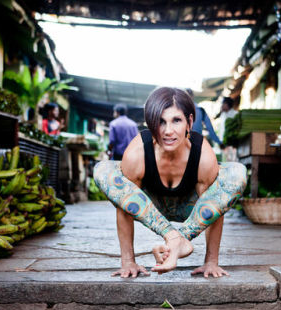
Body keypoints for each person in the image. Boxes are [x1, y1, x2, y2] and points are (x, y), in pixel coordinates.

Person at [93, 87, 247, 278]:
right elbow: (123, 205)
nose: (168, 131)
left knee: (236, 172)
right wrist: (128, 262)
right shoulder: (137, 153)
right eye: (160, 122)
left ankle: (179, 242)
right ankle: (174, 239)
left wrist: (211, 262)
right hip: (149, 209)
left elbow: (216, 206)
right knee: (103, 170)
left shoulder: (203, 155)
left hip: (192, 212)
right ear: (150, 124)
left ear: (189, 122)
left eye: (176, 120)